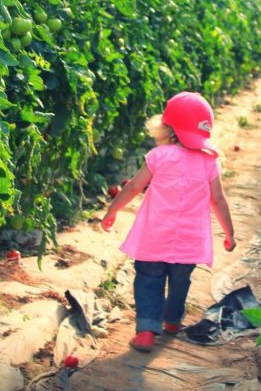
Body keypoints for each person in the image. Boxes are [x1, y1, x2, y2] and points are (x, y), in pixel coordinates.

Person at [101, 91, 237, 353]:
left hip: (155, 237)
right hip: (189, 241)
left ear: (167, 127)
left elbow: (131, 189)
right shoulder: (209, 162)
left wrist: (112, 210)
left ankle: (146, 332)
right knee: (180, 281)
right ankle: (173, 322)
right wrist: (229, 232)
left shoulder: (159, 156)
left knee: (149, 280)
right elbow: (218, 200)